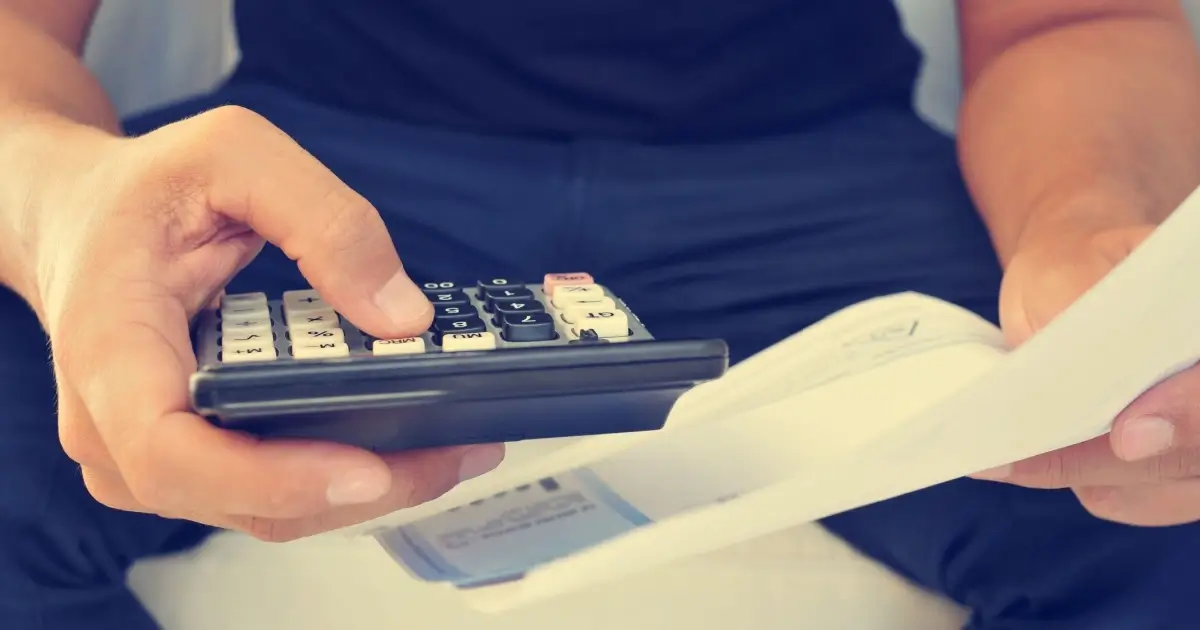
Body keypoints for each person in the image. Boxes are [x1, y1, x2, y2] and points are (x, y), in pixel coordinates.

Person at [2, 0, 1200, 628]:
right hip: (312, 174)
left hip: (823, 181)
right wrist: (60, 202)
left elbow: (1072, 16)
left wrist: (1090, 227)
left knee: (1161, 474)